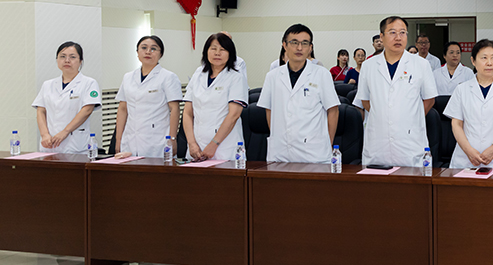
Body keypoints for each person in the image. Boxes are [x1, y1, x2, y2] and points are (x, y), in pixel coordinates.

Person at [353, 16, 438, 166]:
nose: (398, 37)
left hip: (410, 141)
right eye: (392, 32)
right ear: (382, 36)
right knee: (377, 178)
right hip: (378, 141)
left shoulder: (421, 64)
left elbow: (429, 99)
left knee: (412, 178)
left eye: (403, 32)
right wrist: (385, 115)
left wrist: (410, 118)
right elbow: (365, 100)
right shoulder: (368, 66)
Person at [258, 24, 340, 163]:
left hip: (314, 152)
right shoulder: (272, 76)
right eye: (294, 42)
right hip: (280, 152)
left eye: (304, 43)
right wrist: (277, 136)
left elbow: (333, 110)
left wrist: (327, 143)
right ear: (285, 45)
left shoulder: (322, 74)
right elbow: (269, 109)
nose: (299, 48)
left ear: (310, 48)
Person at [444, 39, 493, 170]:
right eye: (484, 58)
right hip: (465, 159)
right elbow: (456, 124)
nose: (489, 63)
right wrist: (469, 151)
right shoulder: (461, 89)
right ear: (473, 61)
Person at [183, 33, 248, 161]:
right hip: (196, 147)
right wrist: (191, 143)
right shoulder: (198, 74)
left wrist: (214, 144)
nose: (217, 53)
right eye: (213, 48)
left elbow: (233, 115)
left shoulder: (236, 77)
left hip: (224, 147)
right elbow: (187, 112)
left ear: (230, 54)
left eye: (222, 49)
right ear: (206, 51)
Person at [114, 35, 182, 157]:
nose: (148, 52)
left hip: (157, 140)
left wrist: (172, 138)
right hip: (130, 139)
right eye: (144, 48)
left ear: (161, 54)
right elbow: (123, 109)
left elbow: (175, 109)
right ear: (137, 52)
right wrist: (118, 139)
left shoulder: (168, 77)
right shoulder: (128, 77)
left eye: (153, 49)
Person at [32, 41, 102, 154]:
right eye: (62, 56)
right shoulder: (48, 84)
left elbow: (87, 110)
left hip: (75, 145)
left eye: (72, 57)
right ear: (57, 60)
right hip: (49, 144)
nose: (67, 60)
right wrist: (44, 134)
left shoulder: (89, 83)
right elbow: (41, 110)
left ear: (80, 61)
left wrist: (65, 131)